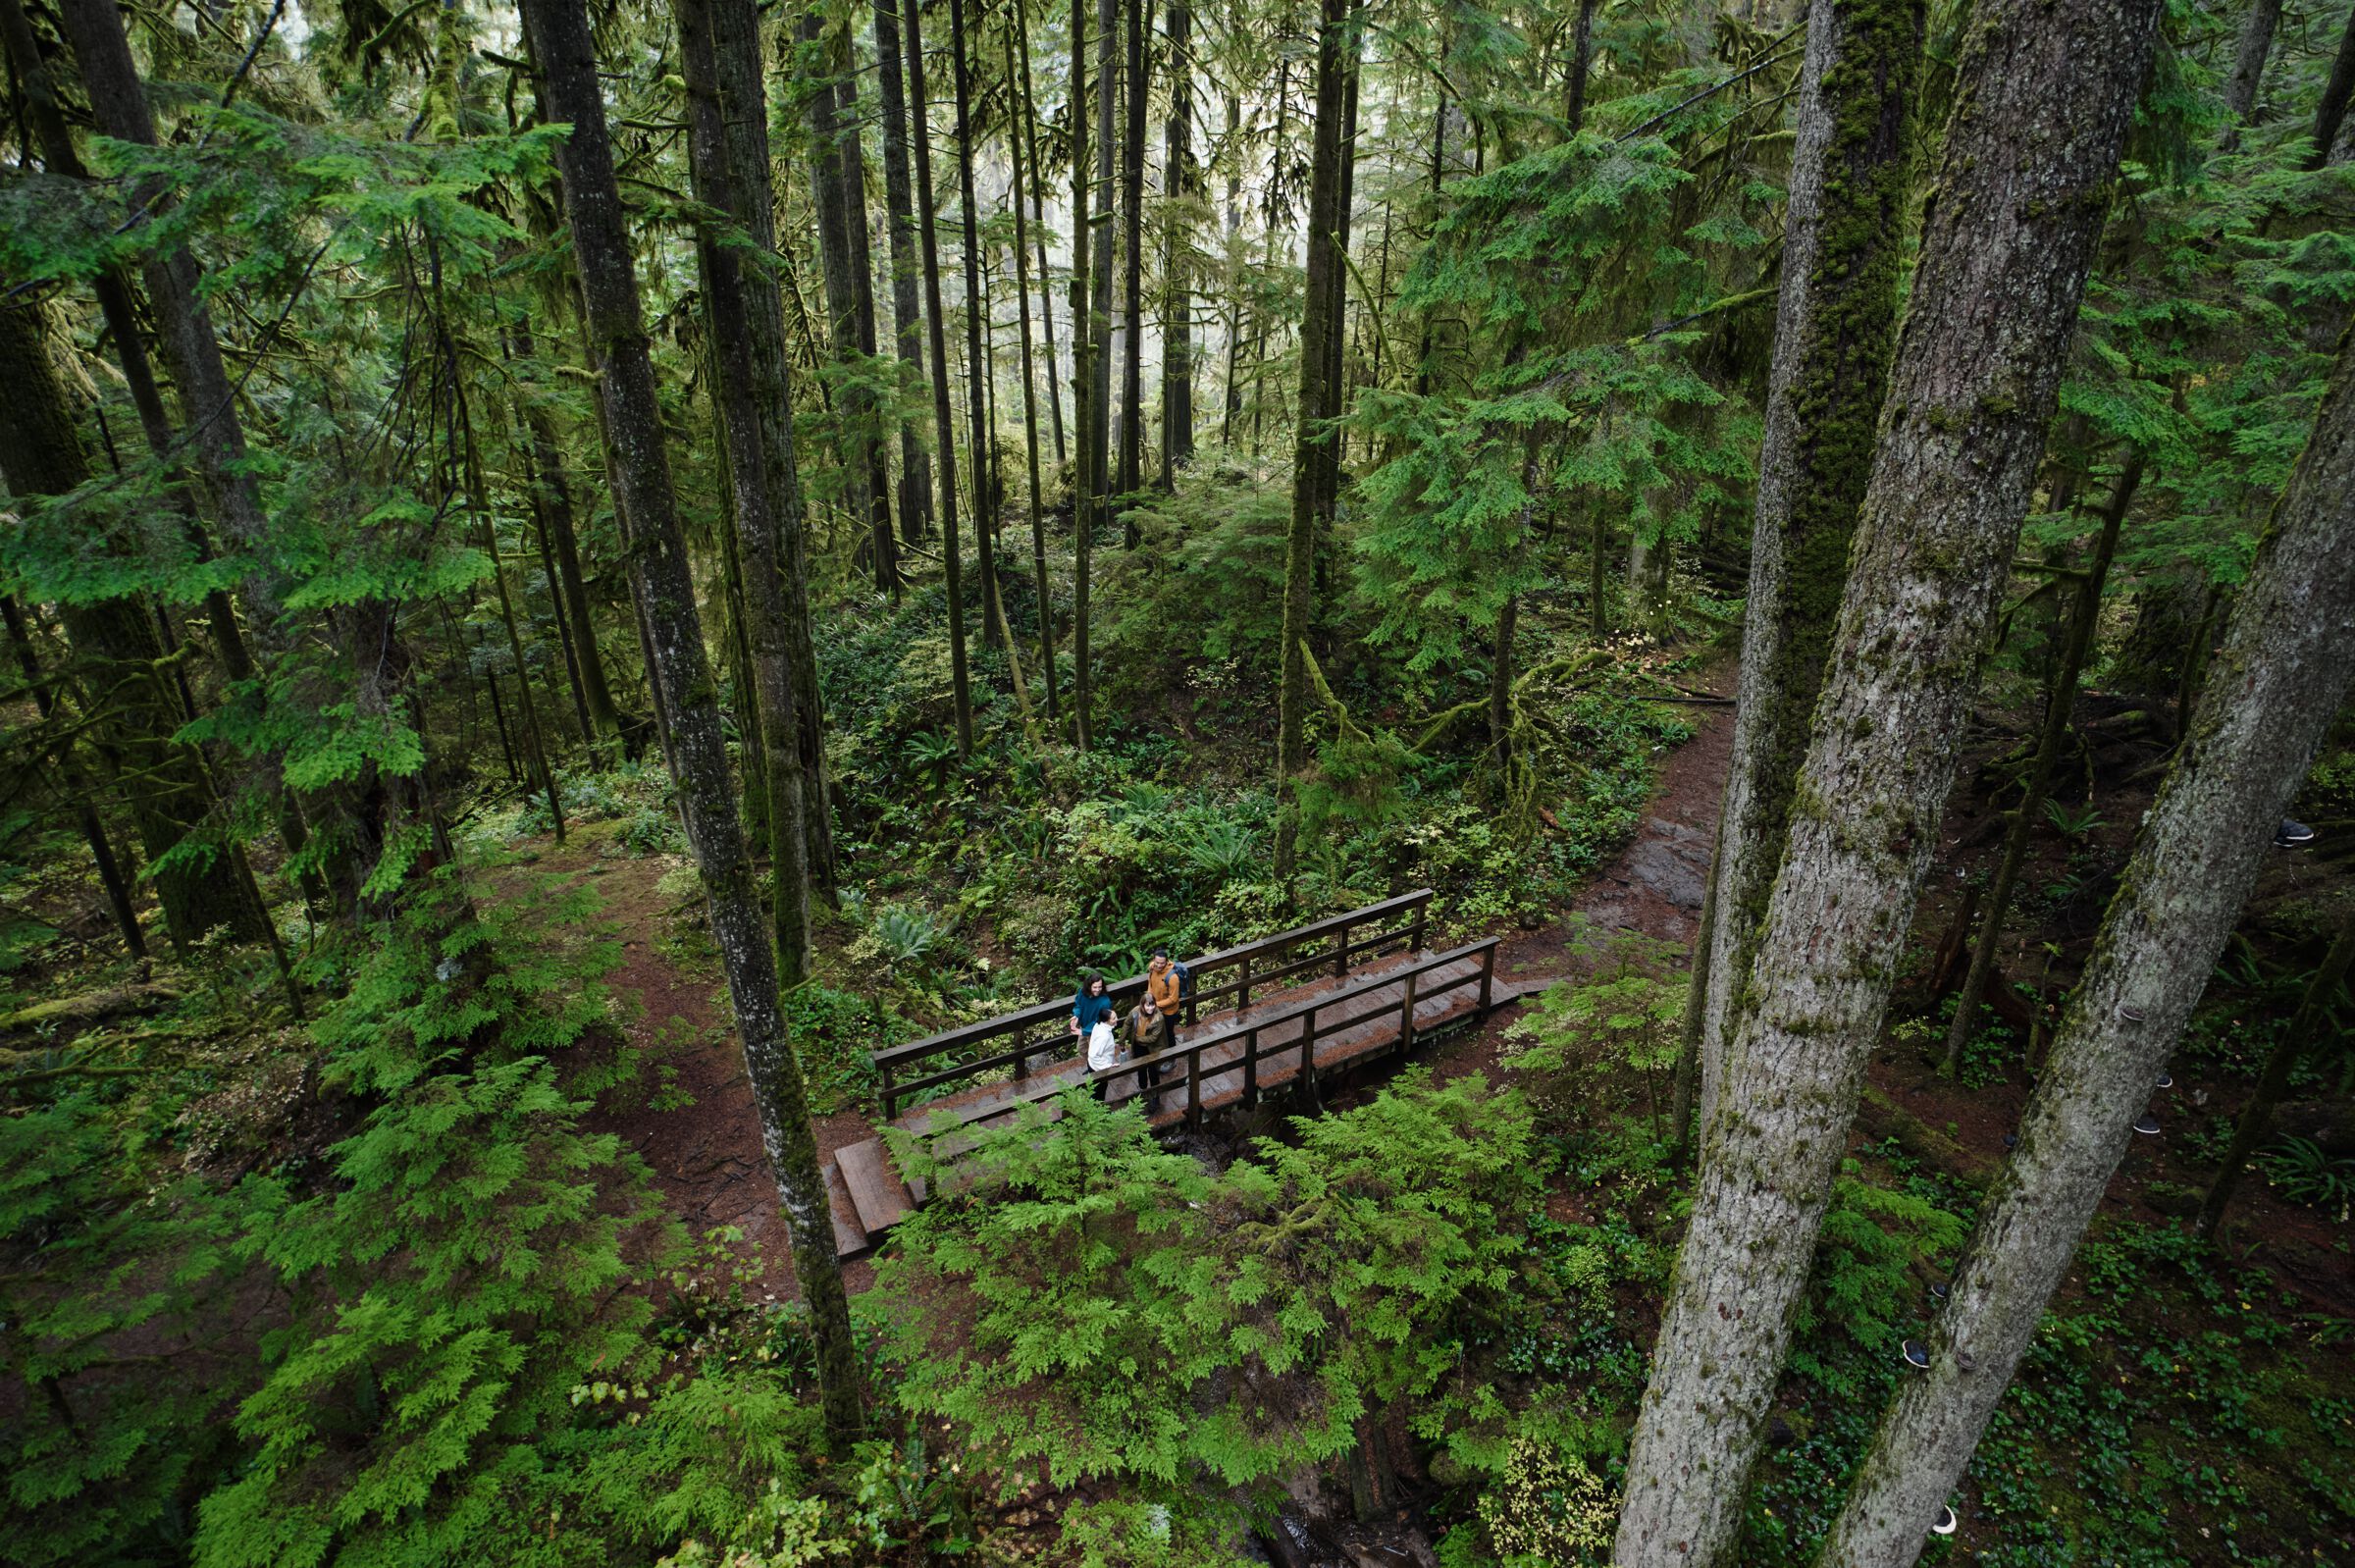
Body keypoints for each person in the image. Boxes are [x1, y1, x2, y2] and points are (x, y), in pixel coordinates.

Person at [1125, 996, 1173, 1108]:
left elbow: (1153, 1038)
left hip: (1153, 1048)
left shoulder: (1159, 1017)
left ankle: (1155, 1096)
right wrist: (1122, 1040)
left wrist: (1137, 1038)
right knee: (1141, 1070)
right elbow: (1127, 1023)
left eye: (1152, 1005)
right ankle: (1143, 1092)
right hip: (1139, 1047)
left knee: (1153, 1072)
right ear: (1142, 1005)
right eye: (1147, 1005)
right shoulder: (1136, 1012)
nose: (1150, 1008)